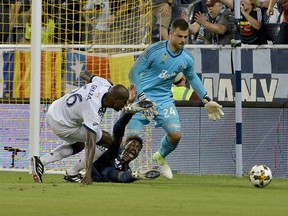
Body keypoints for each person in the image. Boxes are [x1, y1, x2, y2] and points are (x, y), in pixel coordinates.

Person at [127, 18, 224, 179]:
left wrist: (206, 99)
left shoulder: (186, 58)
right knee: (130, 139)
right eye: (179, 36)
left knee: (176, 135)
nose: (183, 40)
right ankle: (121, 168)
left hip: (164, 99)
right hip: (142, 97)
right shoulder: (154, 50)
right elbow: (133, 73)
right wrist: (142, 97)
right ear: (170, 34)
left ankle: (160, 156)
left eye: (185, 37)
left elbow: (193, 78)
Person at [30, 72, 131, 185]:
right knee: (106, 140)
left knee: (79, 145)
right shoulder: (93, 108)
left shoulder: (104, 83)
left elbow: (85, 74)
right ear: (115, 99)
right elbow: (90, 143)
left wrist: (89, 90)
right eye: (124, 101)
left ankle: (41, 161)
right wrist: (88, 174)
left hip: (55, 109)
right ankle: (72, 173)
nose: (124, 105)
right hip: (61, 123)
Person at [64, 112, 160, 183]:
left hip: (105, 175)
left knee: (114, 173)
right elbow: (118, 129)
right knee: (112, 143)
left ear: (136, 156)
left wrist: (135, 175)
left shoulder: (126, 169)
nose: (134, 148)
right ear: (125, 145)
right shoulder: (115, 150)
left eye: (138, 149)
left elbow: (122, 177)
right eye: (132, 144)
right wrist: (130, 113)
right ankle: (73, 172)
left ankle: (138, 175)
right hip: (97, 165)